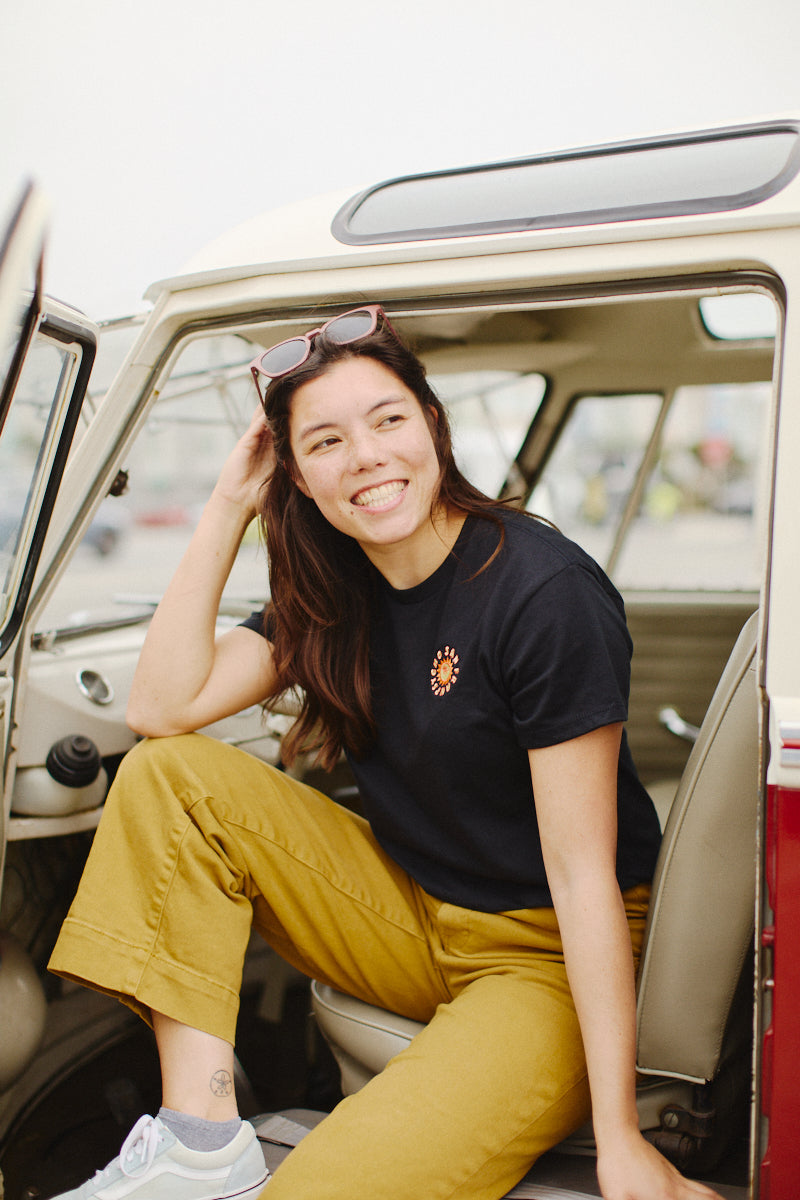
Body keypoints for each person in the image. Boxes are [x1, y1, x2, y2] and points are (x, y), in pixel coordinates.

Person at [48, 305, 722, 1200]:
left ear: (433, 428)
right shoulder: (338, 588)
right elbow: (160, 707)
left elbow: (579, 873)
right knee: (171, 776)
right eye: (324, 441)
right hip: (414, 907)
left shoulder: (540, 593)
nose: (365, 456)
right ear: (298, 475)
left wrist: (618, 1139)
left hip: (544, 952)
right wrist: (227, 503)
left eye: (389, 420)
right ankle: (201, 1139)